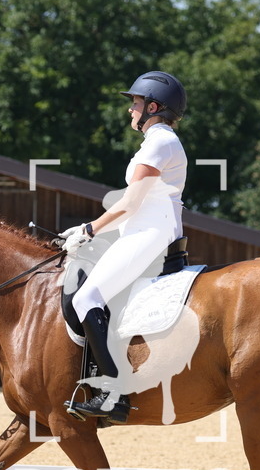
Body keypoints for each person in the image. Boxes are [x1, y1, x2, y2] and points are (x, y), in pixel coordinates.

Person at [60, 70, 188, 423]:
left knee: (86, 298)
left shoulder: (160, 143)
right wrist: (89, 232)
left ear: (153, 107)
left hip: (150, 234)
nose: (131, 109)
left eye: (135, 103)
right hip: (142, 230)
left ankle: (113, 394)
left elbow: (130, 204)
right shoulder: (157, 142)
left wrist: (88, 230)